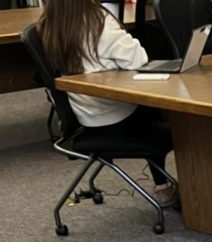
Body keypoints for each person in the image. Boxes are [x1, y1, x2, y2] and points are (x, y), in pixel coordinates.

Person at [37, 0, 176, 207]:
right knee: (178, 124)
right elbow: (139, 58)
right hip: (117, 117)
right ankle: (176, 189)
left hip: (86, 115)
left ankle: (163, 185)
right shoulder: (98, 21)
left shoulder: (50, 23)